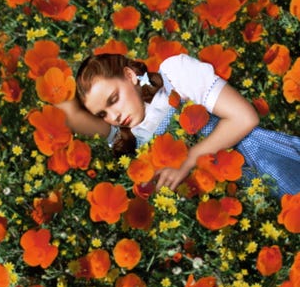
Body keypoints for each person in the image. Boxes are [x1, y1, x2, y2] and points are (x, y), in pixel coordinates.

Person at [57, 53, 300, 197]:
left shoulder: (174, 78)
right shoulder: (135, 139)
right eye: (103, 114)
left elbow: (245, 117)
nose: (115, 116)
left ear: (130, 76)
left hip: (263, 163)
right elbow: (70, 115)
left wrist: (188, 161)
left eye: (114, 99)